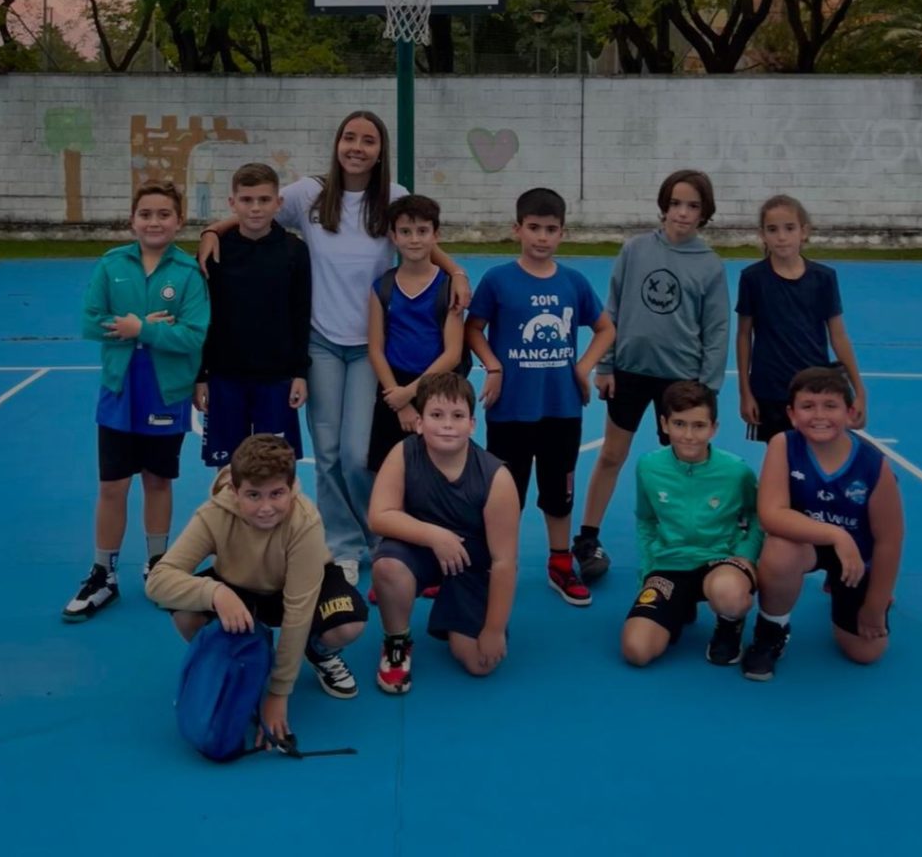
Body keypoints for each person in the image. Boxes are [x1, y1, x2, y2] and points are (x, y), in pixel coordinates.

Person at [199, 112, 468, 586]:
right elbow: (255, 209)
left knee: (355, 454)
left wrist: (457, 272)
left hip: (370, 347)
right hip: (321, 343)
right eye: (349, 138)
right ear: (338, 143)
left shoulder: (393, 196)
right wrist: (211, 231)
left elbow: (422, 237)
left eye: (368, 140)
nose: (357, 147)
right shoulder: (309, 194)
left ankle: (381, 534)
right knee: (325, 454)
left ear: (380, 151)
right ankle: (341, 545)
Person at [146, 434, 369, 741]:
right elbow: (158, 579)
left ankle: (317, 651)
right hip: (240, 588)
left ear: (291, 487)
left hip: (297, 586)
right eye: (253, 495)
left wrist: (278, 693)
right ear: (234, 491)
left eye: (276, 494)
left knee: (347, 625)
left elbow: (298, 609)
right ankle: (235, 657)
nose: (266, 508)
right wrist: (216, 593)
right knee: (186, 612)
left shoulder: (304, 521)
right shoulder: (213, 515)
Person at [63, 180, 209, 622]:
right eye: (146, 214)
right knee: (112, 486)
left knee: (158, 481)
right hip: (119, 391)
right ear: (132, 220)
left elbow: (193, 335)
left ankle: (159, 566)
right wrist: (140, 327)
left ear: (179, 221)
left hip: (166, 392)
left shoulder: (188, 273)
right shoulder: (112, 265)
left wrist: (141, 329)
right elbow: (91, 322)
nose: (154, 222)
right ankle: (103, 573)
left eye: (164, 214)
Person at [574, 170, 729, 583]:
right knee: (612, 455)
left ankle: (685, 541)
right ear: (664, 206)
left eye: (692, 206)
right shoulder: (635, 250)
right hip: (629, 372)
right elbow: (612, 309)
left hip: (682, 381)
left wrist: (706, 389)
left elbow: (716, 329)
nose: (682, 213)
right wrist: (606, 365)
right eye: (675, 203)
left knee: (683, 462)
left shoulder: (710, 265)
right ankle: (587, 538)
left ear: (704, 213)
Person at [465, 187, 615, 607]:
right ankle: (497, 564)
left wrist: (582, 368)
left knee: (558, 492)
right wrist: (494, 367)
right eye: (534, 228)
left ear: (562, 233)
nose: (542, 237)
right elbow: (473, 328)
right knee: (504, 494)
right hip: (511, 409)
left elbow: (605, 328)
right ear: (517, 229)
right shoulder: (497, 280)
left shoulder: (573, 282)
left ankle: (560, 563)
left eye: (551, 229)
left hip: (560, 408)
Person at [740, 367, 903, 682]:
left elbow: (889, 541)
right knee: (779, 549)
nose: (819, 415)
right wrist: (836, 535)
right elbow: (771, 514)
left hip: (857, 556)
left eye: (830, 406)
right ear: (791, 414)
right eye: (808, 406)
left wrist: (875, 603)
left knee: (866, 653)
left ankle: (846, 587)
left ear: (850, 413)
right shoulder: (783, 445)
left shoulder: (874, 464)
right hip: (805, 543)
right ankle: (771, 630)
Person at [368, 373, 520, 694]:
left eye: (457, 416)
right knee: (387, 567)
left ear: (472, 425)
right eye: (436, 415)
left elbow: (504, 562)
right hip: (421, 549)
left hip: (471, 564)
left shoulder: (497, 478)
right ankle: (396, 642)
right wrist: (436, 536)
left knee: (480, 663)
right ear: (419, 423)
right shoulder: (404, 453)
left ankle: (454, 605)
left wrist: (493, 629)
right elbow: (379, 517)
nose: (447, 425)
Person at [621, 381, 762, 668]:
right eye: (679, 424)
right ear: (664, 424)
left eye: (699, 426)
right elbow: (647, 520)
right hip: (670, 564)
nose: (688, 435)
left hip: (720, 560)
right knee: (637, 651)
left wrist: (746, 555)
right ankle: (680, 605)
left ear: (714, 428)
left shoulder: (737, 471)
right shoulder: (648, 466)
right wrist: (648, 570)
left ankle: (729, 626)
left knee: (730, 596)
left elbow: (758, 515)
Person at [196, 163, 311, 467]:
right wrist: (201, 376)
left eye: (264, 199)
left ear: (279, 203)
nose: (256, 208)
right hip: (225, 377)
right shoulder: (215, 250)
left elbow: (301, 314)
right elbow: (203, 316)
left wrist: (300, 373)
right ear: (232, 203)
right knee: (227, 469)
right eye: (246, 200)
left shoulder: (295, 251)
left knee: (276, 466)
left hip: (276, 379)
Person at [736, 194, 866, 443]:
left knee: (817, 452)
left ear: (803, 232)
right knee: (778, 453)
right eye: (772, 229)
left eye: (789, 228)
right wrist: (745, 391)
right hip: (770, 389)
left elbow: (838, 336)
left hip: (814, 389)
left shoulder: (823, 278)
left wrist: (859, 390)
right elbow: (744, 335)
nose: (781, 237)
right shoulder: (753, 279)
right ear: (762, 234)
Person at [367, 194, 464, 472]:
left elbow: (452, 353)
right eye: (406, 232)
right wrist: (399, 403)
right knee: (390, 471)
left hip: (436, 389)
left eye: (422, 231)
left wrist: (410, 394)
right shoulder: (382, 287)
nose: (414, 240)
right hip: (392, 389)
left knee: (435, 471)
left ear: (436, 235)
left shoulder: (449, 288)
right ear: (393, 236)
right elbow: (376, 349)